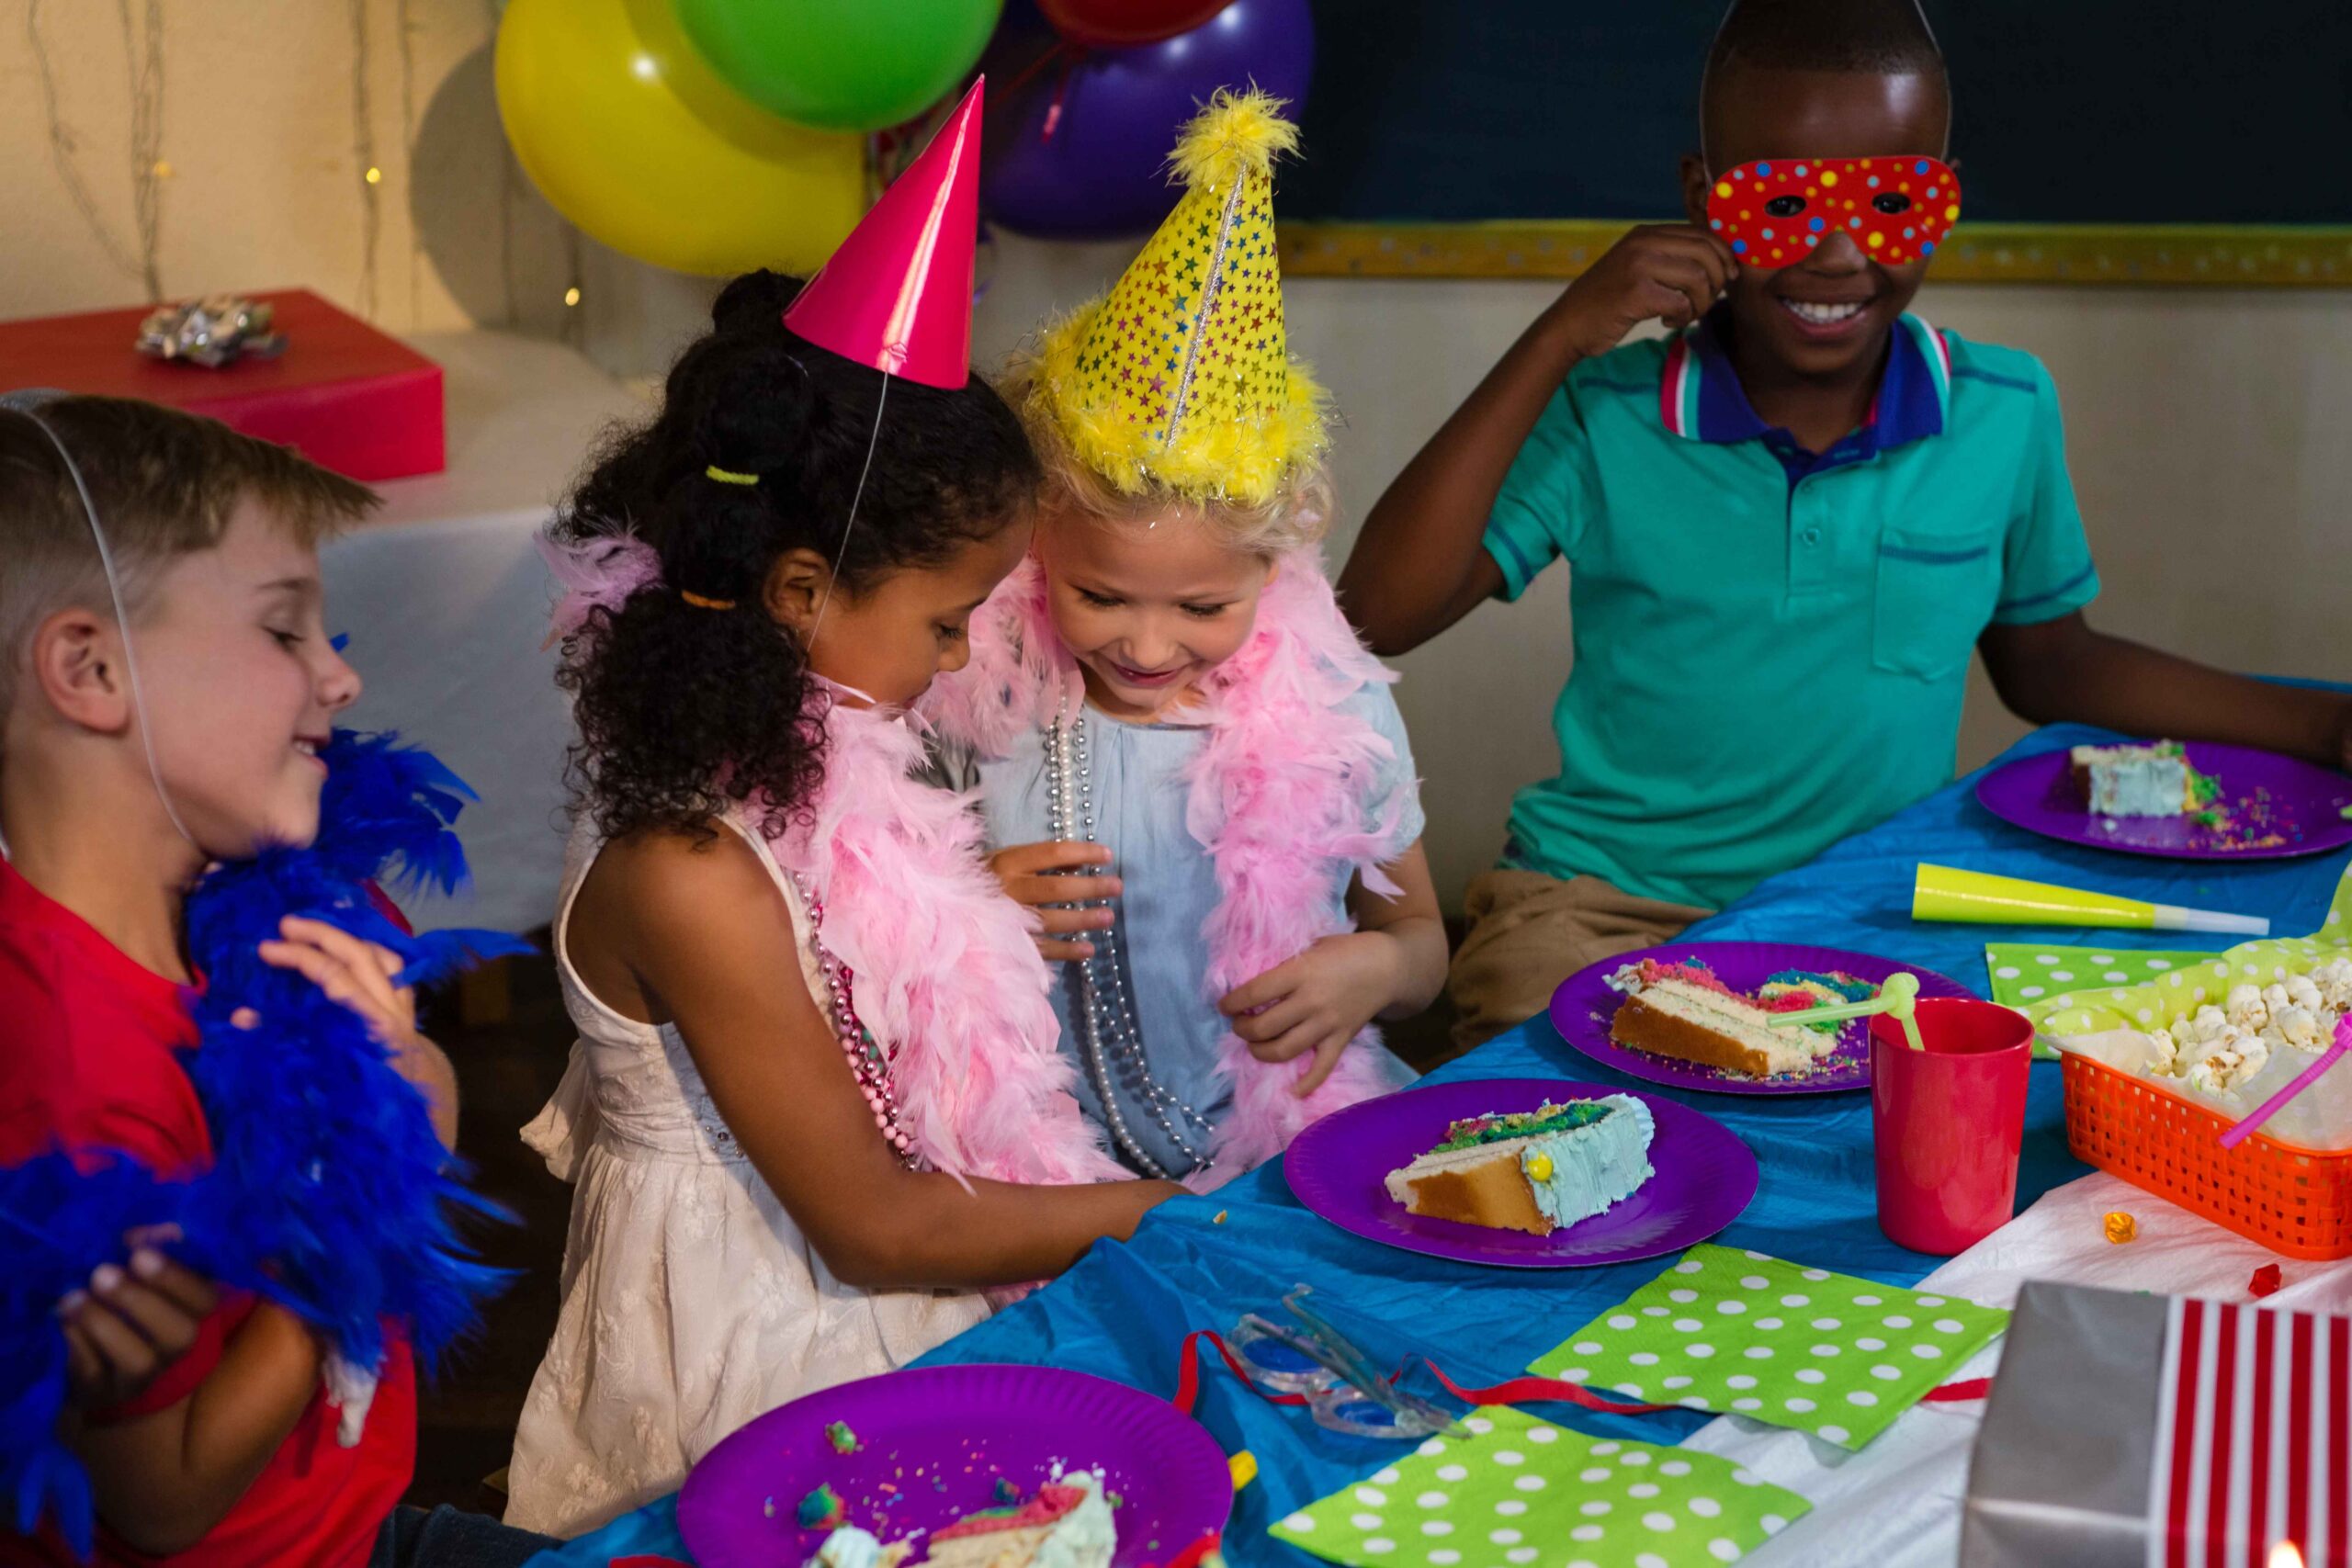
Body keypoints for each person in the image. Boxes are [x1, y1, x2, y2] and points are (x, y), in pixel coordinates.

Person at [1338, 0, 2352, 1048]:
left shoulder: (2003, 410)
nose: (1835, 253)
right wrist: (1556, 336)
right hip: (1599, 913)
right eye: (1780, 203)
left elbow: (2051, 663)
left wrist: (2323, 727)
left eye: (1890, 203)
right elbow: (1377, 614)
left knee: (1988, 1118)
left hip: (1867, 911)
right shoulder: (1606, 411)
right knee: (1569, 1133)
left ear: (1943, 201)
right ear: (1699, 199)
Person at [507, 254, 1176, 1531]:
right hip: (760, 1336)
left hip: (847, 1260)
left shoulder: (753, 749)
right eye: (947, 618)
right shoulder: (687, 867)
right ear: (802, 590)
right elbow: (873, 1224)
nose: (963, 651)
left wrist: (959, 899)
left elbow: (814, 939)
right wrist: (1175, 1205)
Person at [0, 393, 551, 1566]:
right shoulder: (74, 1072)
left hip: (348, 1521)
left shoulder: (221, 905)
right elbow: (163, 1500)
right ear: (90, 669)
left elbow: (415, 1073)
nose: (339, 679)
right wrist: (378, 1186)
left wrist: (410, 1083)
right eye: (282, 630)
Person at [922, 92, 1447, 1186]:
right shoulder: (973, 684)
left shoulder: (1337, 710)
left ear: (1277, 564)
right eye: (1100, 596)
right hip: (1031, 1165)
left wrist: (1372, 967)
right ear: (1035, 549)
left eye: (1201, 609)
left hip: (1275, 1152)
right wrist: (971, 910)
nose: (1150, 646)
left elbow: (1425, 946)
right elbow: (873, 925)